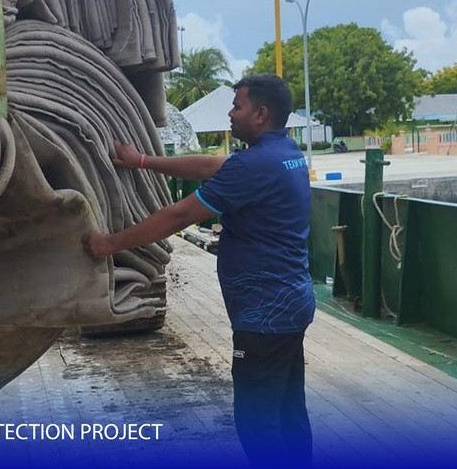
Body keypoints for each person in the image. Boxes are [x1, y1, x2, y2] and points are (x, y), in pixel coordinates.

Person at [83, 73, 314, 467]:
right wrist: (142, 161)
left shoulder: (254, 166)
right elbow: (210, 165)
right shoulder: (284, 153)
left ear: (260, 114)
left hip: (264, 316)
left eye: (237, 105)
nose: (230, 112)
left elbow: (179, 214)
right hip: (291, 303)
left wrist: (110, 243)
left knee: (257, 422)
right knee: (288, 411)